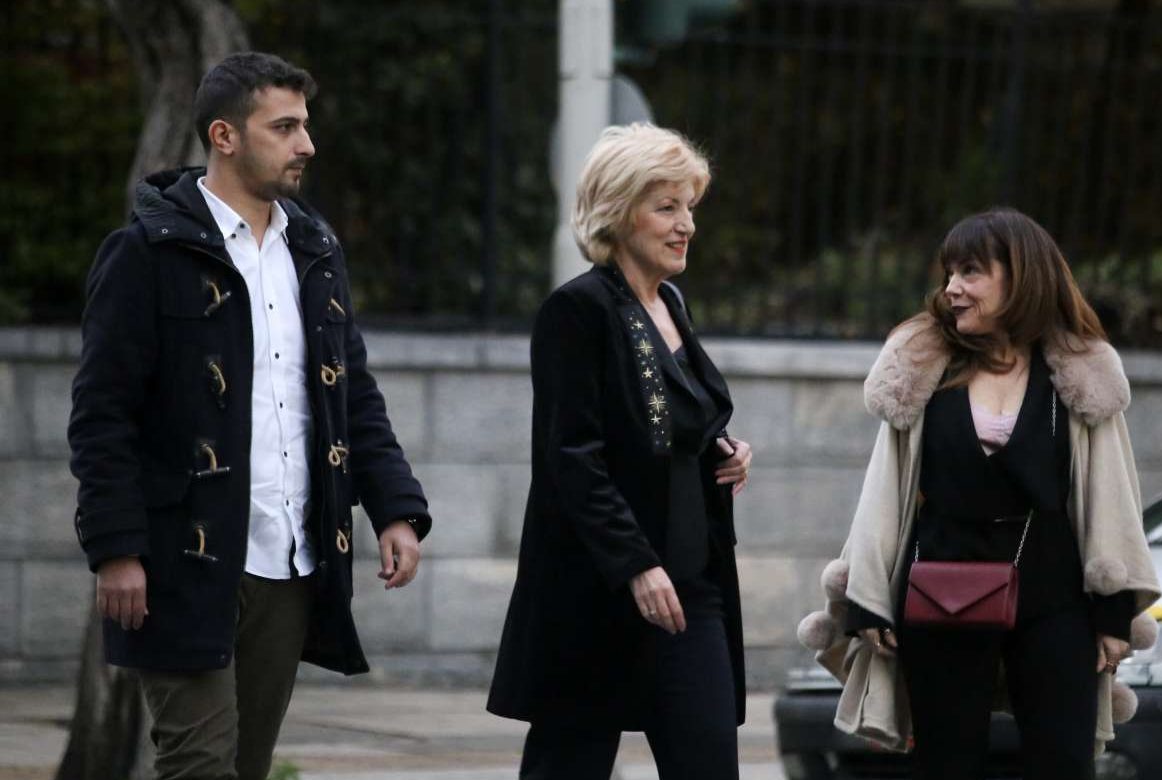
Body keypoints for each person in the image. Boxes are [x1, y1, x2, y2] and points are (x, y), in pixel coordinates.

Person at [67, 52, 432, 780]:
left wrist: (394, 506)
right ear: (225, 136)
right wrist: (115, 548)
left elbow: (352, 394)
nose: (307, 145)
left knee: (247, 766)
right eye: (285, 127)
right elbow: (102, 413)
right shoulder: (146, 253)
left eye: (305, 126)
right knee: (199, 764)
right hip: (181, 559)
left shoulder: (314, 250)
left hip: (289, 557)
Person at [799, 208, 1161, 779]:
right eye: (949, 273)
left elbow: (1111, 493)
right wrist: (868, 594)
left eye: (970, 272)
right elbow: (884, 489)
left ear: (1021, 276)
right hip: (939, 589)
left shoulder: (1076, 370)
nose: (952, 289)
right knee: (947, 764)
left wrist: (1114, 610)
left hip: (1054, 593)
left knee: (1064, 762)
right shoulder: (924, 365)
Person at [486, 123, 754, 780]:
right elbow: (572, 456)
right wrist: (636, 565)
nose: (686, 224)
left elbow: (667, 424)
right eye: (666, 207)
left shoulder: (671, 303)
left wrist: (721, 451)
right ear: (619, 211)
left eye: (688, 206)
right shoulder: (576, 311)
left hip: (690, 588)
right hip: (597, 594)